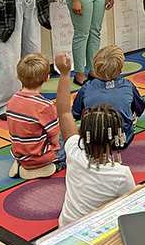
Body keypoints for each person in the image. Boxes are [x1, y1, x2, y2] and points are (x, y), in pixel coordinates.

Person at [56, 53, 136, 228]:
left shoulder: (73, 150)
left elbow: (64, 112)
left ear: (81, 130)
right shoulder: (121, 174)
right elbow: (133, 210)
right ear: (116, 136)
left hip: (64, 227)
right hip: (96, 234)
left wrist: (64, 74)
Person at [6, 53, 66, 180]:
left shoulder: (12, 101)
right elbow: (54, 141)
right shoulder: (45, 106)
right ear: (47, 78)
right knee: (71, 143)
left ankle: (21, 163)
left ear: (18, 76)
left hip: (19, 151)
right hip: (40, 155)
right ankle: (52, 166)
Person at [71, 45, 145, 147]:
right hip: (122, 140)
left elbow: (75, 113)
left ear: (95, 70)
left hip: (92, 139)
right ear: (120, 70)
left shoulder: (86, 87)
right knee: (133, 104)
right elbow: (140, 108)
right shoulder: (128, 85)